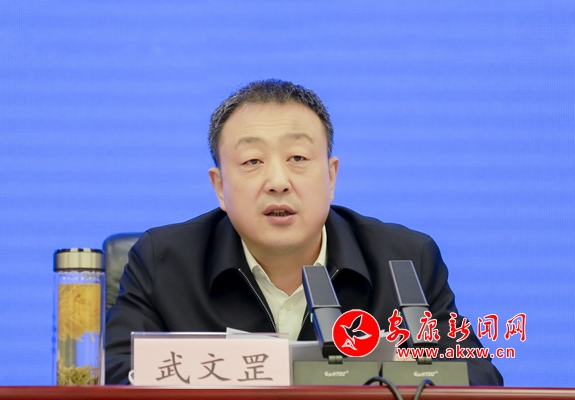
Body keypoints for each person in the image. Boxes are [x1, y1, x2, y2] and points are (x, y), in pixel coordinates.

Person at [105, 79, 503, 385]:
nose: (278, 181)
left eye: (297, 157)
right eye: (252, 161)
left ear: (331, 177)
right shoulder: (162, 262)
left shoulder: (405, 259)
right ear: (220, 186)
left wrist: (390, 372)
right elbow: (111, 375)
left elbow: (478, 377)